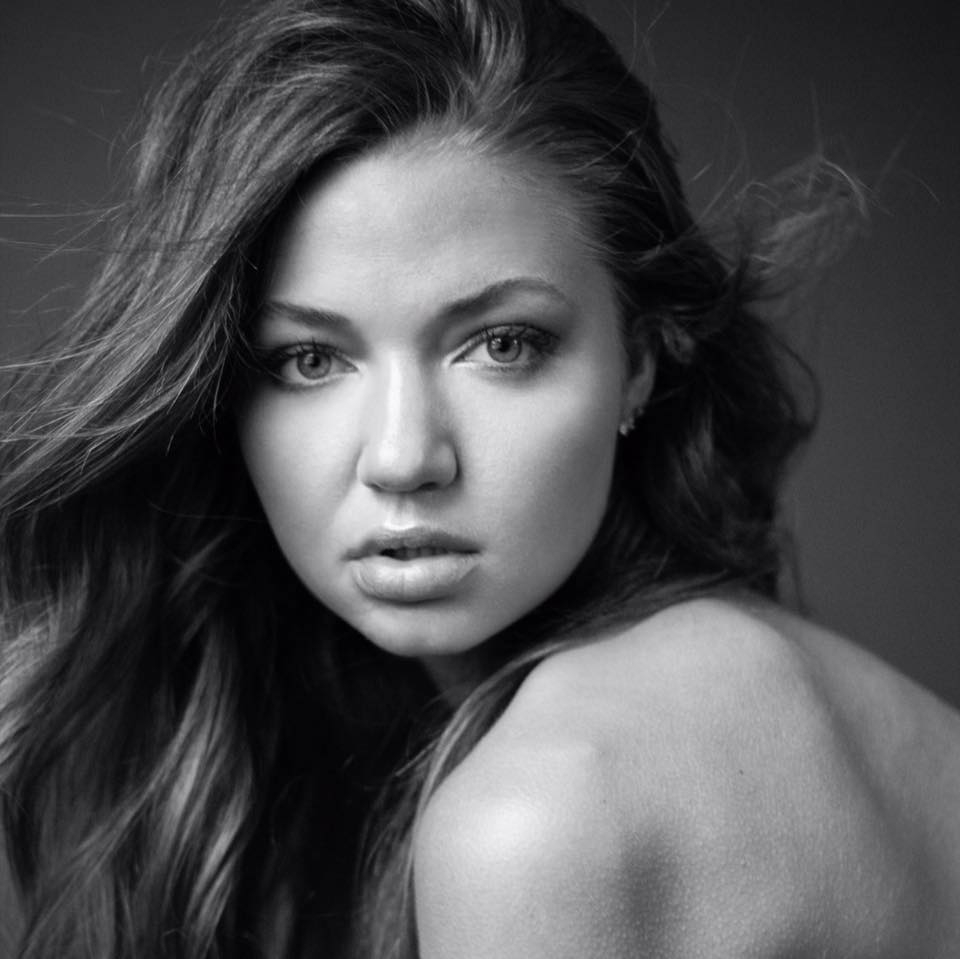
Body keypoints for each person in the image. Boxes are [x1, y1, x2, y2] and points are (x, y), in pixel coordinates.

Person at [1, 0, 958, 956]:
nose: (402, 457)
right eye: (309, 359)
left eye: (502, 344)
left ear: (638, 359)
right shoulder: (846, 712)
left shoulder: (544, 811)